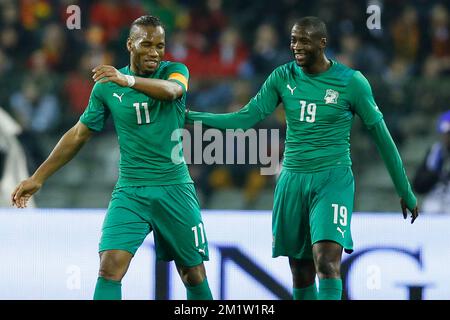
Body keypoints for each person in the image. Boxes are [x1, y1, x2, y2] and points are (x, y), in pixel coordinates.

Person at [186, 16, 418, 300]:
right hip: (292, 180)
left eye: (304, 40)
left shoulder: (352, 82)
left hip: (332, 179)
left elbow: (382, 138)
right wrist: (191, 117)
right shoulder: (283, 77)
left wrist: (404, 190)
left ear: (322, 43)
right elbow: (245, 118)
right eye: (294, 40)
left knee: (327, 262)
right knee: (300, 271)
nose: (296, 46)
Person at [11, 15, 213, 300]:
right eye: (147, 44)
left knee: (192, 273)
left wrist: (128, 80)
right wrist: (38, 177)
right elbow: (79, 134)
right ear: (130, 44)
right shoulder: (107, 87)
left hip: (174, 189)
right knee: (109, 268)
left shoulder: (174, 71)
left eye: (160, 45)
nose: (155, 52)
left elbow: (173, 92)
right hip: (130, 191)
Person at [413, 110, 450, 214]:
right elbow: (418, 187)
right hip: (433, 207)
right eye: (446, 133)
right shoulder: (435, 153)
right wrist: (435, 172)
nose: (447, 138)